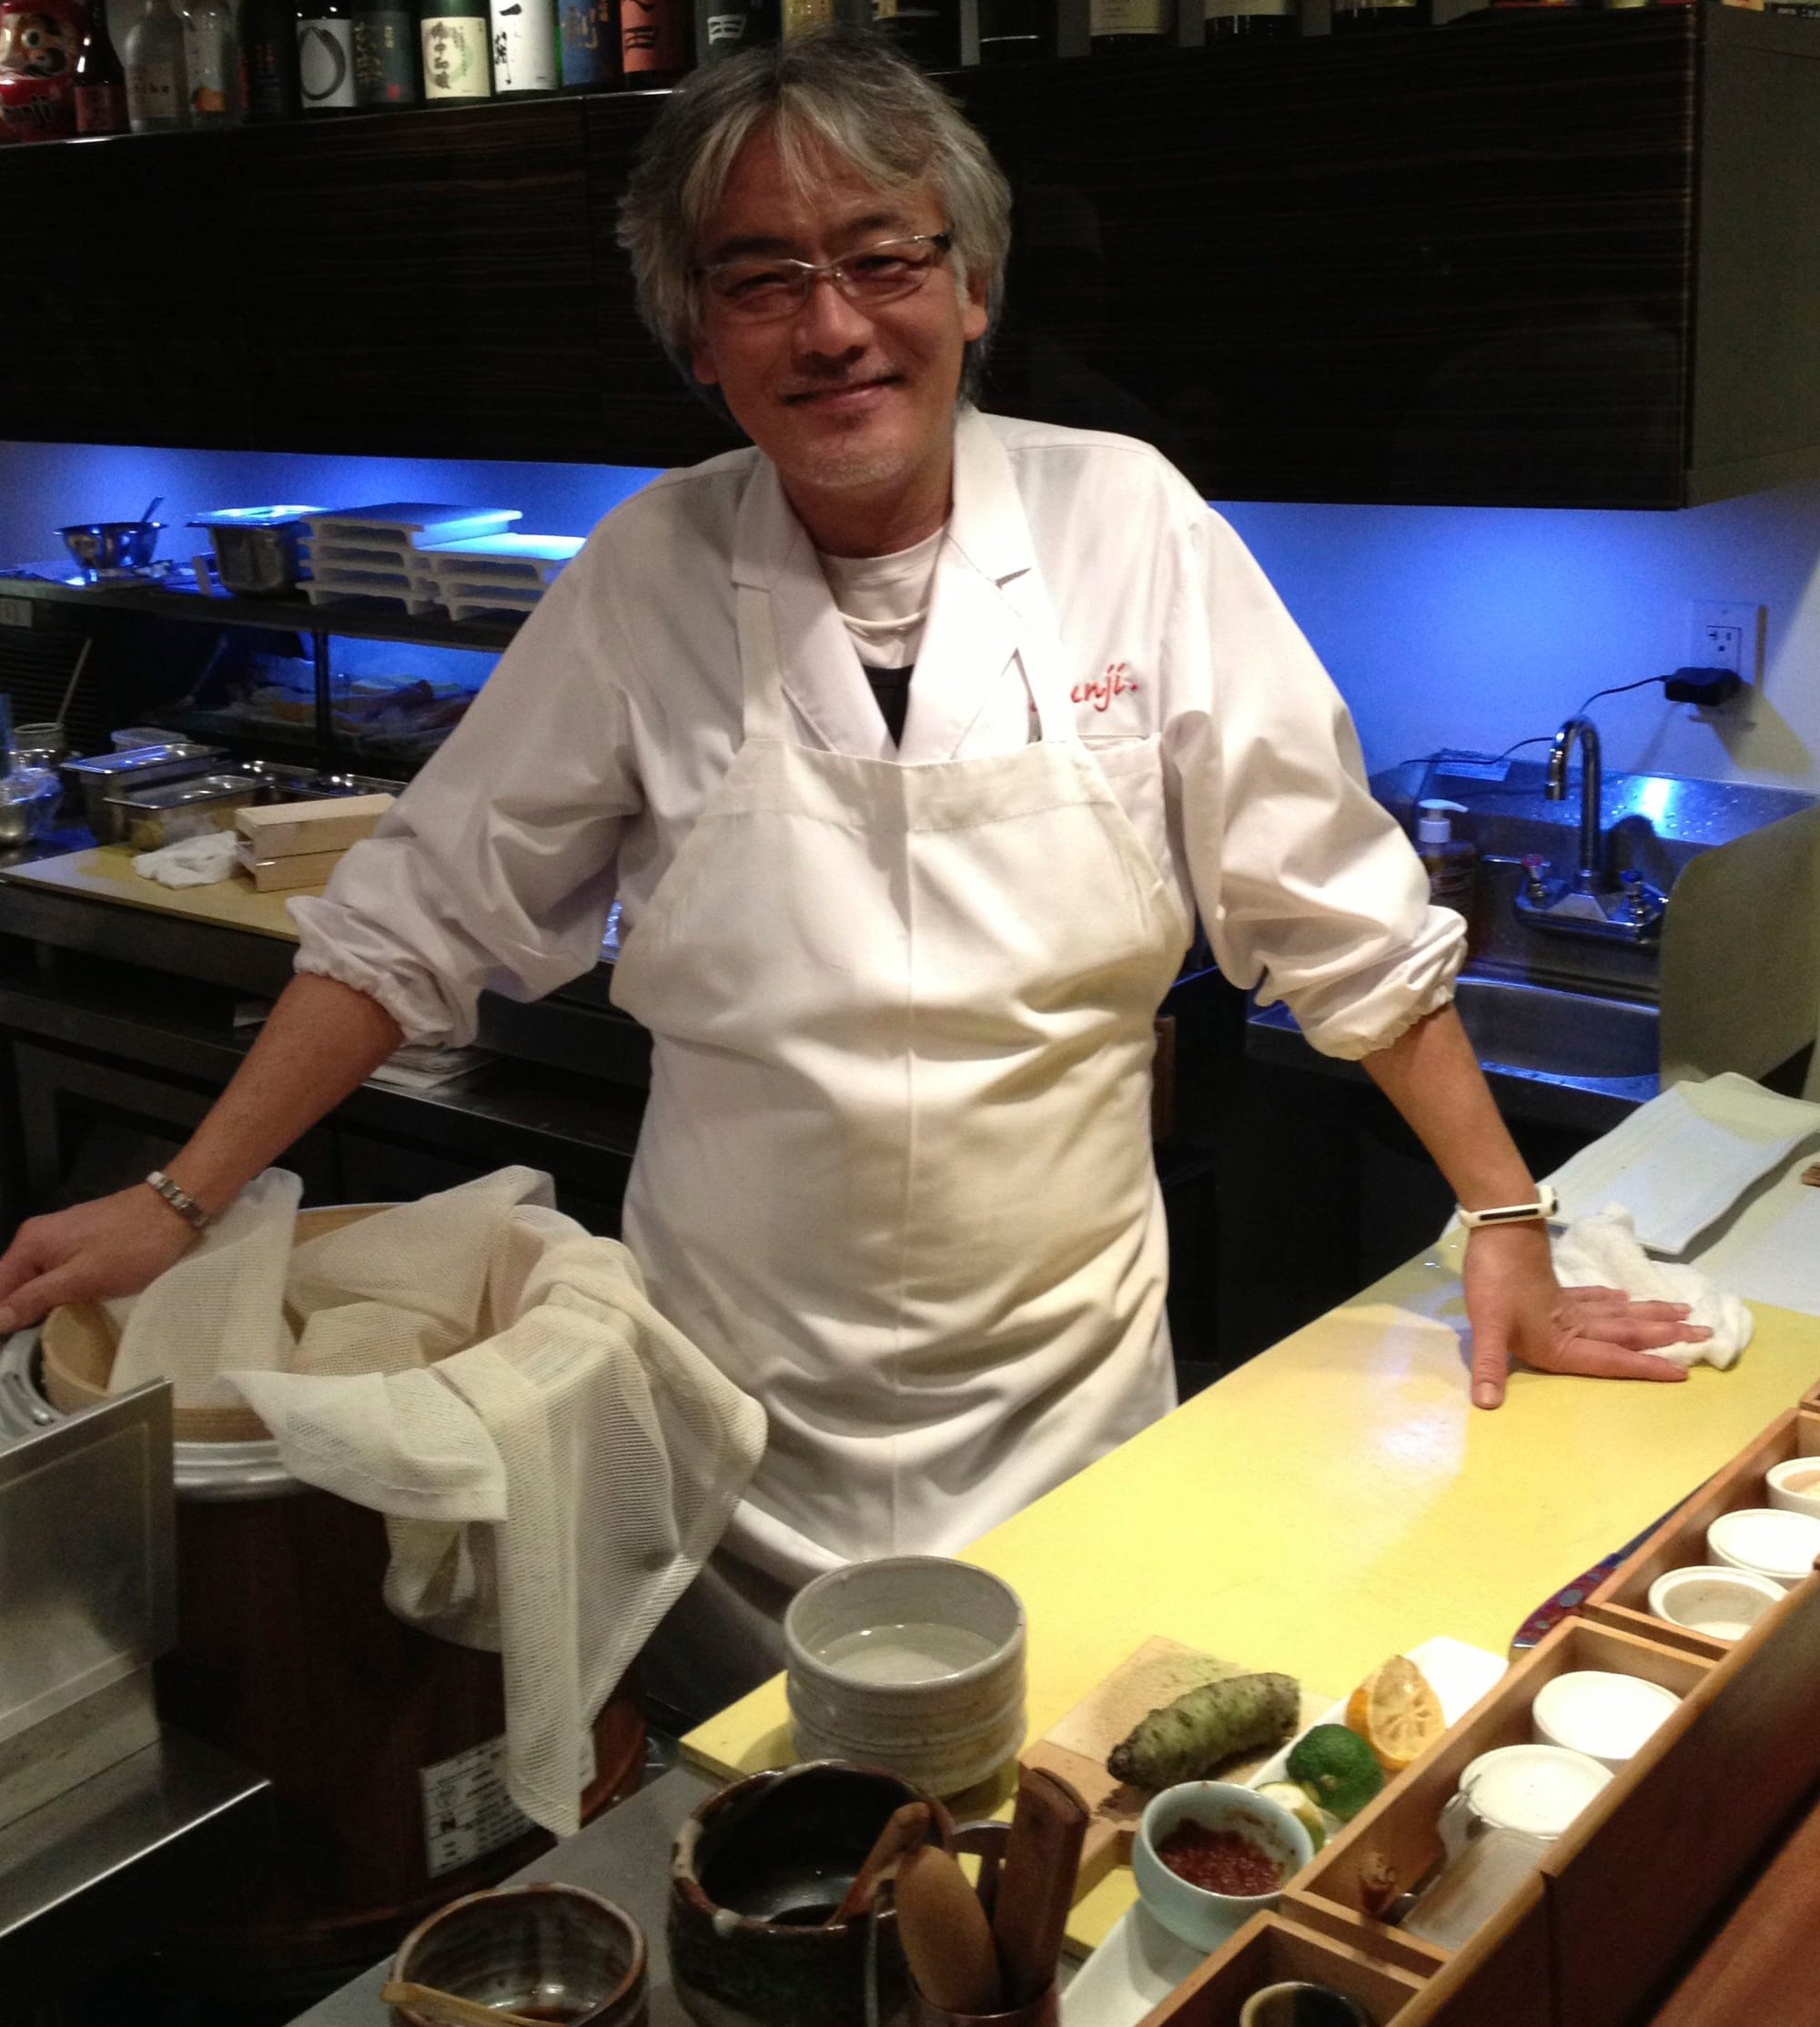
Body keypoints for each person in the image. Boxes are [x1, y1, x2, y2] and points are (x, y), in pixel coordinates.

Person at [0, 33, 1699, 1712]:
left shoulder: (1134, 527)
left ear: (971, 290)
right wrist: (178, 1200)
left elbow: (1344, 918)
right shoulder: (645, 572)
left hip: (1071, 1406)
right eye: (761, 279)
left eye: (884, 258)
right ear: (698, 338)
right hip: (725, 1423)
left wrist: (1506, 1222)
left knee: (1055, 1810)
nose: (832, 325)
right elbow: (406, 921)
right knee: (748, 1825)